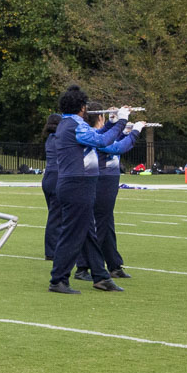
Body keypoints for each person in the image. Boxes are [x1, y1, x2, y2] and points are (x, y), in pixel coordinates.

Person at [47, 86, 129, 294]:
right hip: (77, 185)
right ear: (82, 107)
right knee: (73, 234)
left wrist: (111, 122)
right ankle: (58, 279)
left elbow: (97, 134)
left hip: (78, 185)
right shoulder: (75, 125)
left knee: (88, 233)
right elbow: (102, 141)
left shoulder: (72, 124)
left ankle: (101, 277)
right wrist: (122, 121)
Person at [73, 105, 144, 282]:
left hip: (109, 179)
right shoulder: (93, 136)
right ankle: (83, 266)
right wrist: (134, 131)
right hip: (101, 179)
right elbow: (117, 148)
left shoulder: (100, 134)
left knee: (106, 224)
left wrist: (122, 129)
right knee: (99, 225)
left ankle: (113, 264)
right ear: (99, 118)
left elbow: (116, 140)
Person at [40, 113, 62, 260]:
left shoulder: (50, 138)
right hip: (57, 177)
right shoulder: (59, 139)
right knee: (56, 216)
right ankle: (51, 251)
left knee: (55, 215)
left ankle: (55, 247)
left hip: (48, 177)